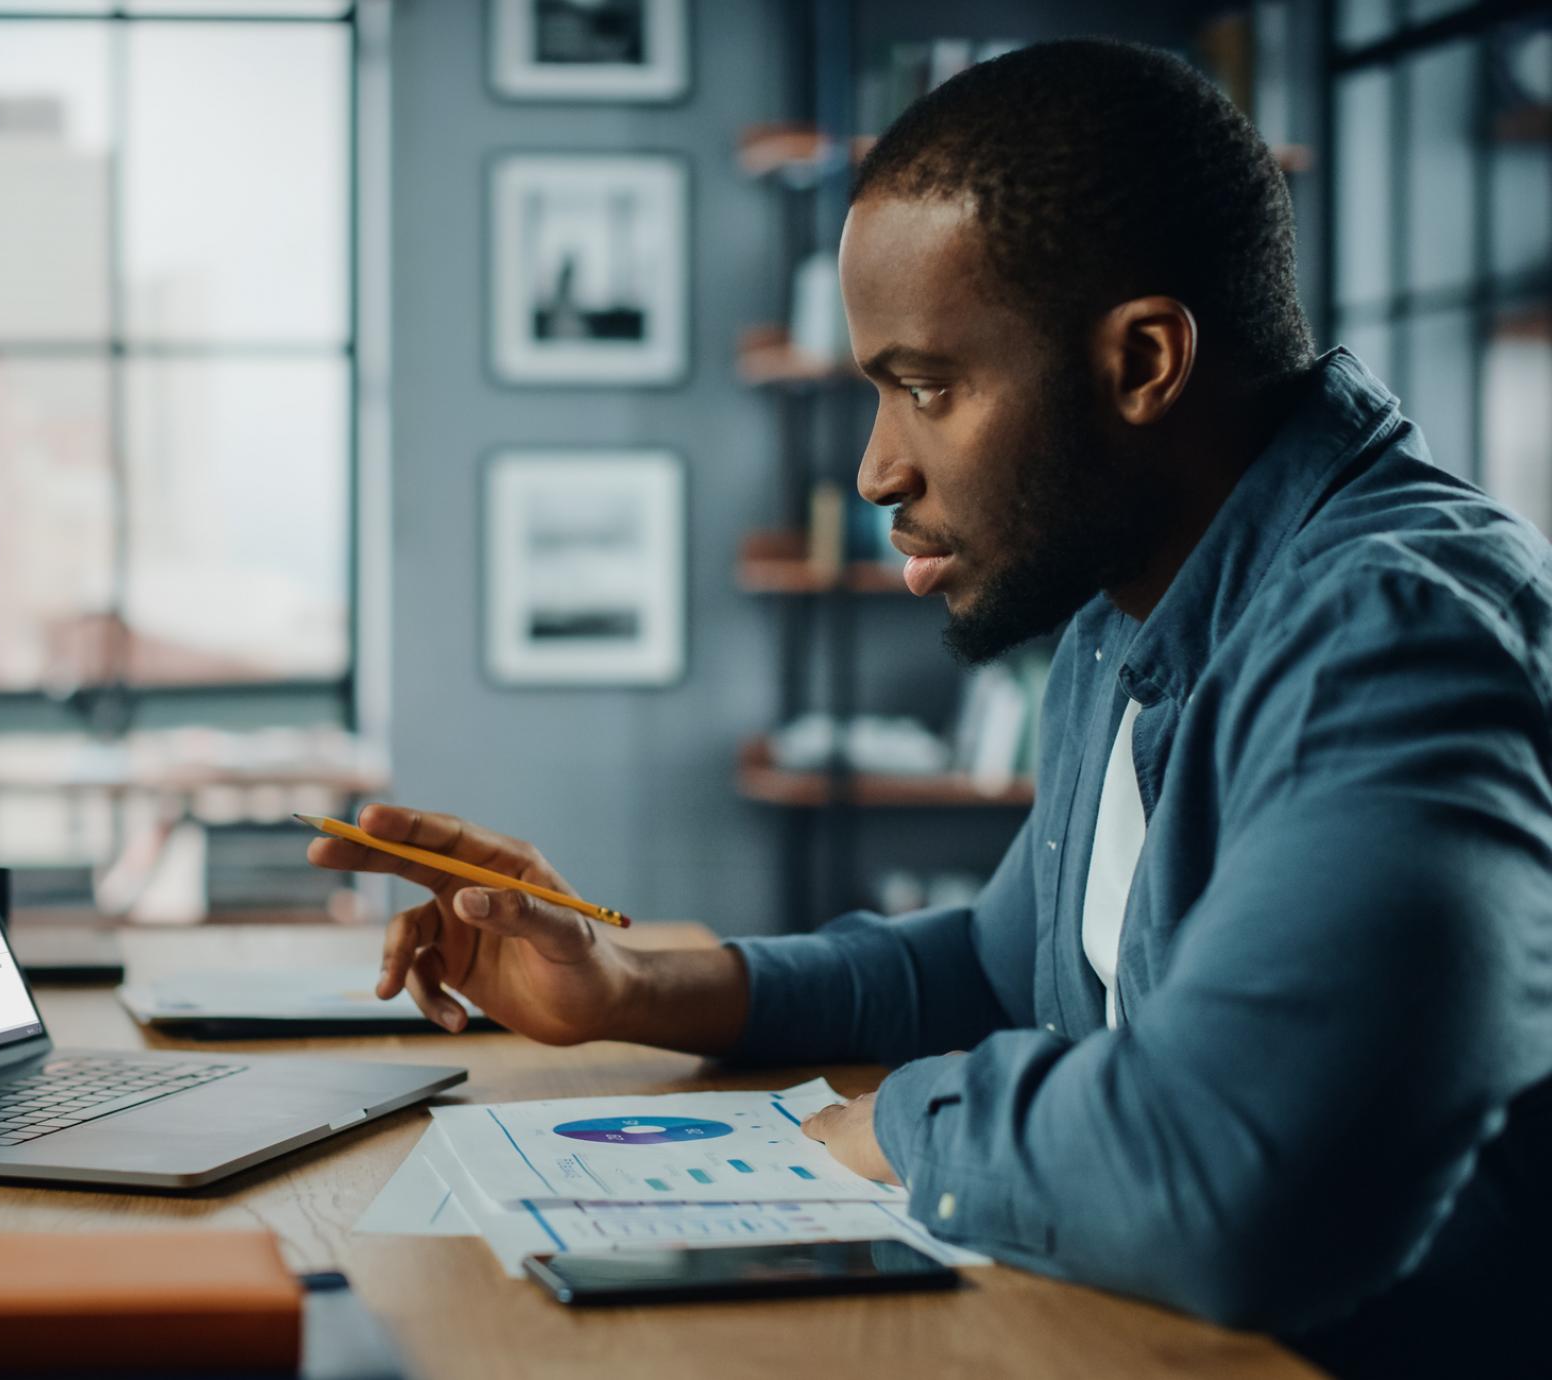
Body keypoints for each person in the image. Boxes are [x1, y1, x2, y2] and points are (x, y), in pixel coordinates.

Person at [309, 39, 1552, 1378]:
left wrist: (908, 1119)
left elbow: (1228, 1184)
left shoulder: (1392, 633)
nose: (878, 468)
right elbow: (997, 971)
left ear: (1143, 362)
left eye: (928, 386)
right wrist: (624, 984)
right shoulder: (1127, 602)